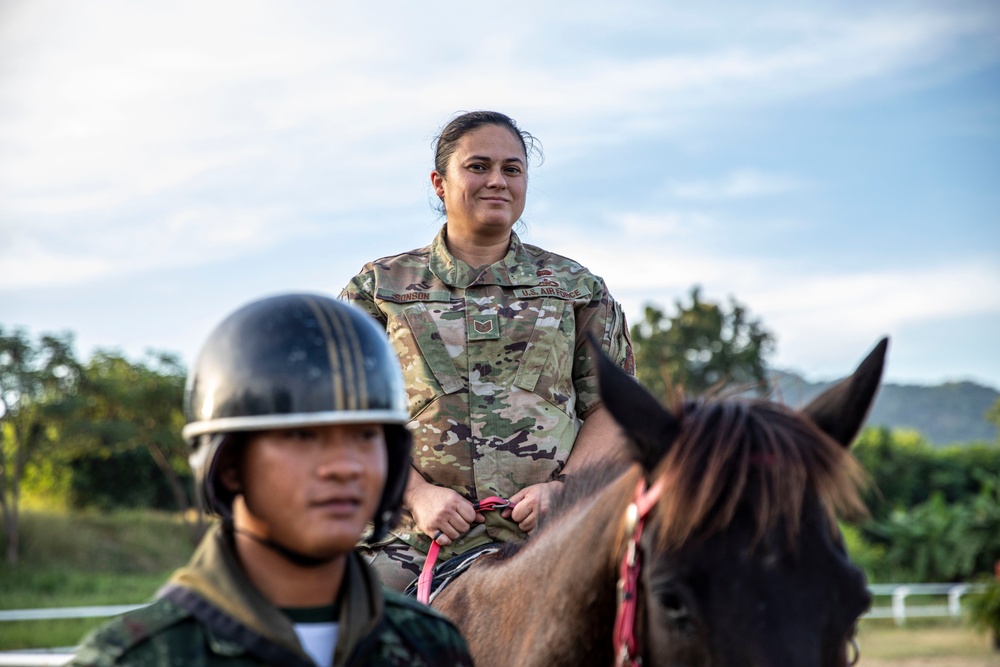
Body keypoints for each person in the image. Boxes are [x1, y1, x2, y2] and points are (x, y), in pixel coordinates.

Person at [69, 294, 474, 667]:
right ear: (228, 464)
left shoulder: (431, 645)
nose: (346, 467)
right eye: (303, 436)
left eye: (366, 436)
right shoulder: (138, 658)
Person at [340, 110, 635, 592]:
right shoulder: (377, 289)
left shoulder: (576, 288)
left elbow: (613, 408)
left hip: (552, 536)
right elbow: (347, 416)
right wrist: (417, 496)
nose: (497, 180)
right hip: (410, 542)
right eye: (478, 166)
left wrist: (562, 493)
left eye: (512, 169)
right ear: (439, 182)